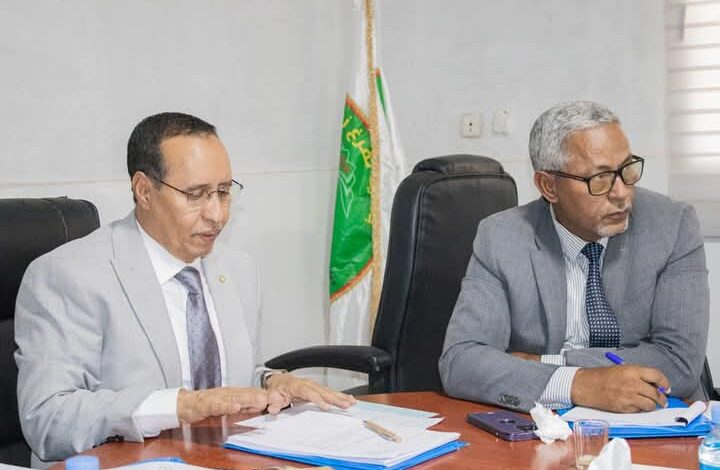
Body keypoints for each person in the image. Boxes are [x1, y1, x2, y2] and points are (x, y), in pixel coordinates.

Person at [15, 112, 355, 465]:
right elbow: (47, 418)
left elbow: (230, 383)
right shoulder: (69, 276)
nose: (217, 214)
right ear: (144, 190)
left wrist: (271, 383)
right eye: (196, 194)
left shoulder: (237, 268)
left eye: (224, 192)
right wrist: (182, 406)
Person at [439, 100, 709, 414]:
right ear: (549, 186)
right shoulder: (501, 237)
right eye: (600, 178)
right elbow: (462, 361)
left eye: (627, 169)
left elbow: (679, 361)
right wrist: (578, 385)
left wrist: (550, 364)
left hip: (659, 419)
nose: (621, 193)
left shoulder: (672, 225)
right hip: (545, 423)